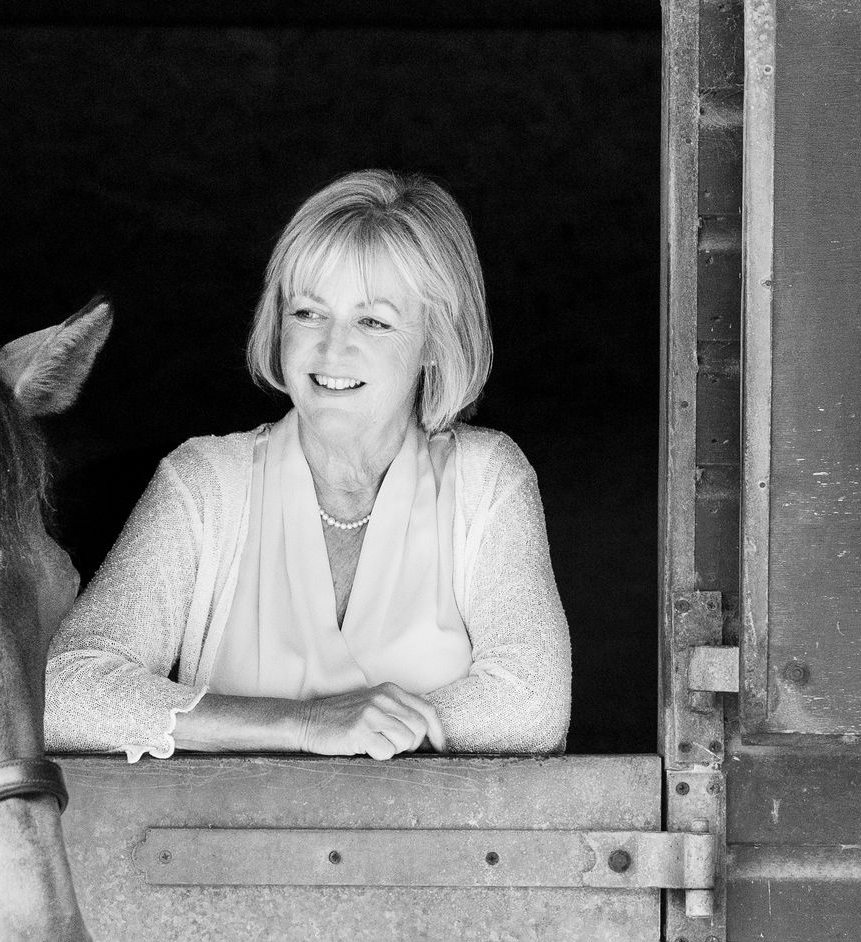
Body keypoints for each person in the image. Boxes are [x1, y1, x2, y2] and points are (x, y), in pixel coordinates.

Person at [45, 170, 570, 760]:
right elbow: (67, 694)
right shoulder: (205, 481)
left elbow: (531, 704)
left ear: (436, 342)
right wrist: (302, 725)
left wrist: (365, 731)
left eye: (373, 321)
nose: (330, 348)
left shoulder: (487, 477)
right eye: (307, 313)